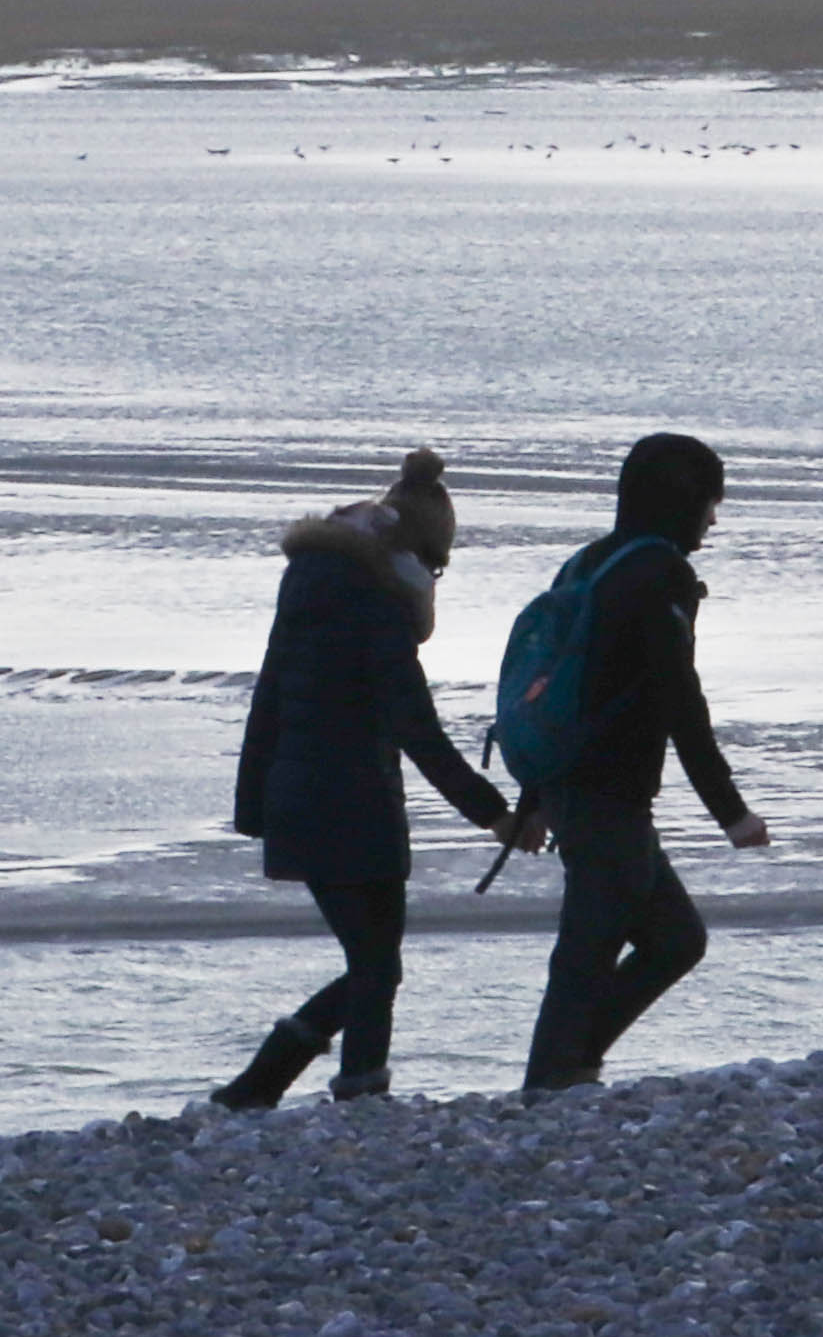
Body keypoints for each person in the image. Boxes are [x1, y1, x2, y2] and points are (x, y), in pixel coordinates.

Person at [216, 449, 522, 1109]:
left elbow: (268, 696)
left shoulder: (311, 585)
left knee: (376, 963)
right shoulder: (376, 608)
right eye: (438, 563)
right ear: (415, 553)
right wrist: (494, 811)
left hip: (310, 799)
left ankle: (342, 1086)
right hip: (352, 806)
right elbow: (417, 726)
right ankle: (271, 1084)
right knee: (377, 963)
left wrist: (256, 803)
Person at [519, 430, 767, 1093]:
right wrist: (731, 811)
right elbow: (678, 696)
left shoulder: (587, 562)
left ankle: (572, 1064)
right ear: (684, 500)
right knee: (588, 945)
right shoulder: (661, 574)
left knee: (676, 938)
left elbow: (542, 684)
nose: (715, 518)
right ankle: (551, 1082)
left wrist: (532, 794)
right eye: (711, 501)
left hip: (570, 780)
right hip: (609, 788)